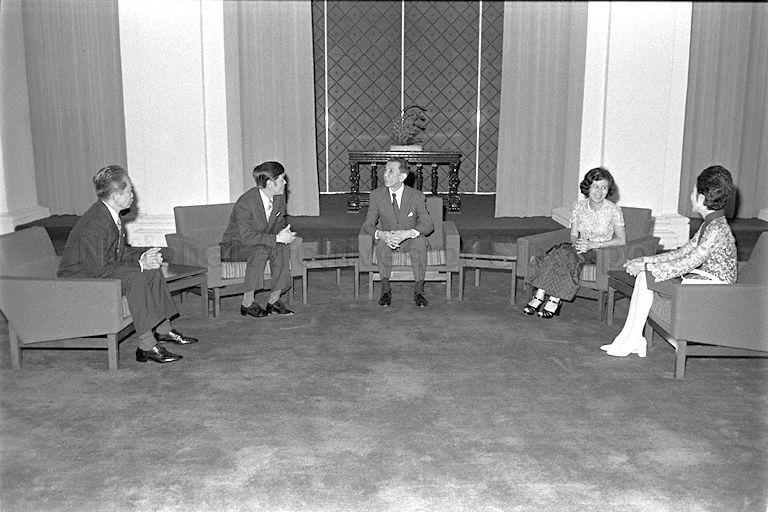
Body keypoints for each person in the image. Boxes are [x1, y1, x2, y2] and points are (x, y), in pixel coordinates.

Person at [58, 165, 198, 364]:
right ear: (115, 196)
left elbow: (118, 253)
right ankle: (146, 345)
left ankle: (163, 330)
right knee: (135, 276)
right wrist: (140, 264)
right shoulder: (95, 224)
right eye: (129, 190)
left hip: (97, 268)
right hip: (79, 280)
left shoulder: (111, 214)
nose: (133, 195)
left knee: (151, 270)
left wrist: (147, 254)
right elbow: (98, 269)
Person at [601, 165, 736, 357]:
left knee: (645, 276)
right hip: (703, 282)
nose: (690, 195)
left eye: (693, 191)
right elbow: (683, 252)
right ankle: (631, 339)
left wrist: (646, 266)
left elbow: (687, 262)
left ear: (701, 199)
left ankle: (632, 340)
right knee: (644, 277)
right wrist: (646, 259)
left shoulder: (716, 229)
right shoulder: (713, 223)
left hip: (712, 291)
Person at [523, 167, 627, 318]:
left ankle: (543, 295)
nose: (599, 192)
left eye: (604, 188)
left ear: (608, 189)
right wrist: (578, 244)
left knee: (562, 254)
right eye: (595, 187)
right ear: (588, 187)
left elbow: (621, 240)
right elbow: (573, 235)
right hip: (579, 246)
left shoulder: (614, 210)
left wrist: (592, 245)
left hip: (600, 251)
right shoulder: (578, 207)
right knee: (563, 252)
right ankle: (550, 297)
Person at [220, 161, 298, 317]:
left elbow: (278, 224)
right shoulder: (245, 203)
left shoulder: (279, 198)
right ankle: (247, 303)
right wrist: (276, 237)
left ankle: (274, 301)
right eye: (282, 179)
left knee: (281, 246)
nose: (285, 182)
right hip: (236, 246)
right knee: (261, 250)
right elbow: (247, 238)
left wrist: (284, 234)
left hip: (260, 241)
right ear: (270, 183)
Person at [361, 158, 435, 307]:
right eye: (385, 170)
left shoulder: (417, 196)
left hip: (410, 240)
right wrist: (382, 234)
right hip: (389, 239)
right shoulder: (376, 195)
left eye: (391, 171)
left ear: (402, 177)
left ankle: (419, 291)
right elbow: (368, 224)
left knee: (419, 242)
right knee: (381, 244)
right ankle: (385, 290)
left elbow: (428, 225)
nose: (385, 175)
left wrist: (408, 233)